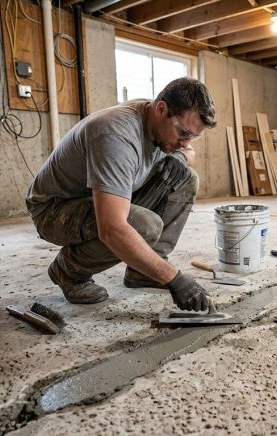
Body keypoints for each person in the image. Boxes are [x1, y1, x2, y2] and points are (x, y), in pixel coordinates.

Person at [25, 77, 215, 311]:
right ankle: (69, 271)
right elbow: (112, 228)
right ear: (161, 109)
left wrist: (180, 158)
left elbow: (190, 152)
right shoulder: (116, 135)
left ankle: (142, 270)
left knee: (186, 177)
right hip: (54, 210)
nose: (185, 143)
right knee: (144, 225)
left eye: (192, 137)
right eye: (183, 134)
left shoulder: (158, 119)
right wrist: (174, 279)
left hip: (97, 198)